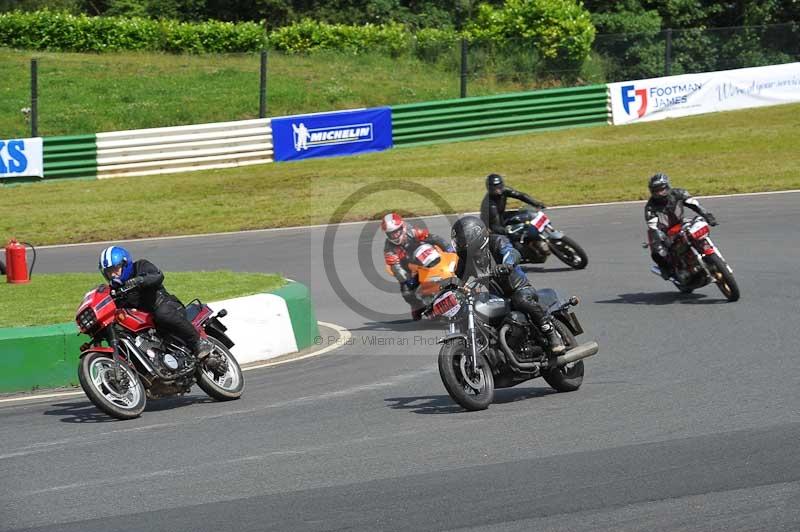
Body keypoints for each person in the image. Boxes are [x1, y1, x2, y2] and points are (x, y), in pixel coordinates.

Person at [451, 215, 565, 354]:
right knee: (476, 310)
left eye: (462, 241)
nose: (460, 245)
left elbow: (511, 252)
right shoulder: (465, 259)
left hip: (519, 288)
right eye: (458, 242)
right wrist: (449, 287)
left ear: (475, 236)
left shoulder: (496, 241)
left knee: (521, 300)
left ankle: (550, 332)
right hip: (496, 296)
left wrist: (506, 264)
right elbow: (458, 278)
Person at [98, 246, 212, 360]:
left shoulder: (140, 266)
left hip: (167, 306)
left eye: (115, 269)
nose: (112, 275)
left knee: (162, 313)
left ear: (125, 263)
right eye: (109, 272)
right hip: (147, 323)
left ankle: (198, 342)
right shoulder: (115, 289)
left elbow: (157, 276)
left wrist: (140, 280)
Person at [382, 212, 454, 320]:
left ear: (402, 227)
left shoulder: (412, 232)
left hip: (427, 256)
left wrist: (449, 249)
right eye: (392, 233)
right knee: (407, 292)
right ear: (387, 234)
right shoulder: (389, 249)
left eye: (397, 231)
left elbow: (433, 238)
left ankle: (463, 285)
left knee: (454, 263)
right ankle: (420, 307)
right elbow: (396, 268)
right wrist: (407, 280)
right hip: (411, 270)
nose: (395, 235)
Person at [645, 173, 717, 280]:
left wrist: (708, 216)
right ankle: (666, 269)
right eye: (656, 190)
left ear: (668, 187)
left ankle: (704, 252)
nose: (660, 193)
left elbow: (694, 205)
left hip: (681, 223)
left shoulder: (678, 193)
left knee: (698, 229)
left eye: (662, 189)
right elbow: (653, 226)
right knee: (658, 251)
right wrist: (660, 238)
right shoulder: (650, 207)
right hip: (664, 231)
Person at [480, 173, 547, 235]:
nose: (498, 189)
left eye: (499, 185)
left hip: (502, 216)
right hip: (492, 226)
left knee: (525, 214)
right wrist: (507, 231)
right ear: (489, 187)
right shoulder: (490, 205)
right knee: (514, 238)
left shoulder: (504, 191)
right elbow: (496, 226)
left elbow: (521, 195)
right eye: (494, 187)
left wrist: (536, 203)